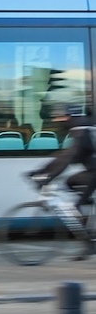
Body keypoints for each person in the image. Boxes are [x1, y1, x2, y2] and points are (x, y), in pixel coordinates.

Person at [30, 107, 96, 259]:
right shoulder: (83, 130)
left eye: (62, 118)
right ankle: (88, 232)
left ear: (69, 118)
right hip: (92, 172)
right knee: (70, 183)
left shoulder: (82, 133)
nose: (59, 122)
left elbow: (67, 159)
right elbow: (64, 156)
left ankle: (90, 243)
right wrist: (41, 171)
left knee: (77, 204)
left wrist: (47, 177)